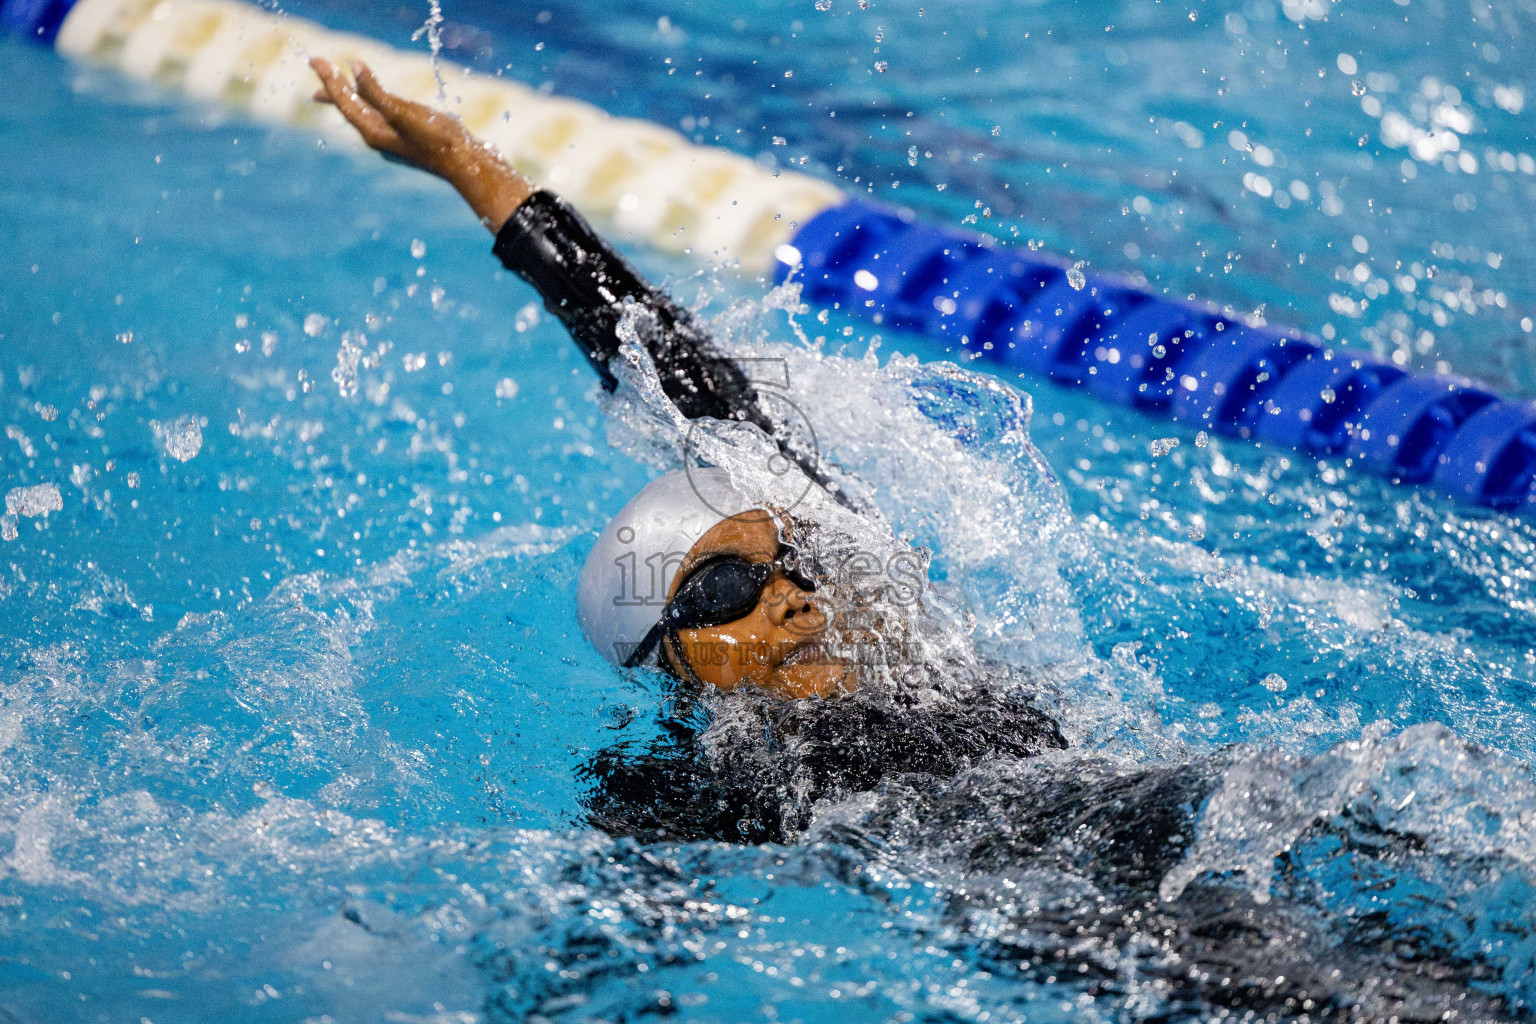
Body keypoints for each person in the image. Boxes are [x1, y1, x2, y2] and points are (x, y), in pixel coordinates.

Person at [310, 61, 1527, 1022]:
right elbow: (611, 953)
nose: (792, 595)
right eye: (731, 582)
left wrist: (473, 165)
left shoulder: (907, 645)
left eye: (795, 560)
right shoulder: (694, 792)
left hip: (1193, 805)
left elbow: (674, 368)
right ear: (667, 653)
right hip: (1072, 921)